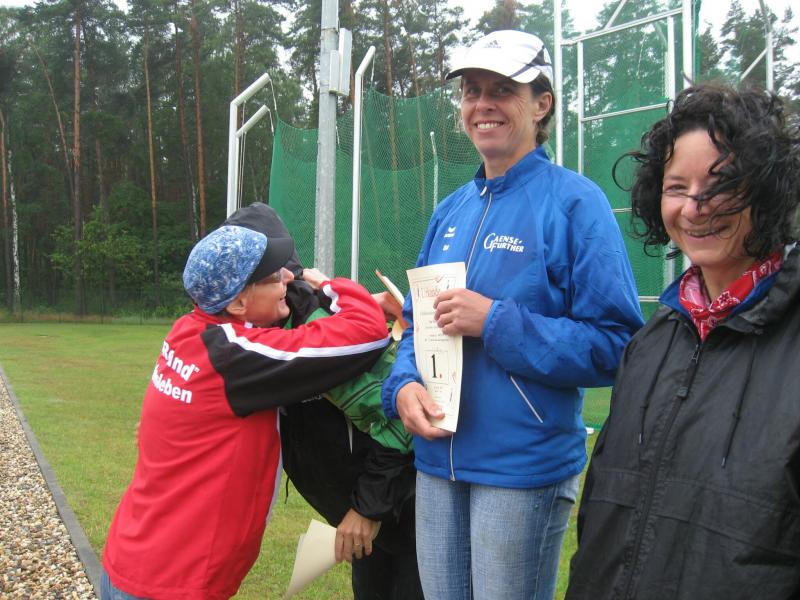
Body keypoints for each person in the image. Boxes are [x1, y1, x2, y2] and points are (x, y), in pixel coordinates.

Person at [381, 30, 643, 600]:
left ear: (541, 104)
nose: (483, 104)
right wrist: (402, 386)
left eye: (502, 90)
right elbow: (415, 324)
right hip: (436, 462)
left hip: (521, 470)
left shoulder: (576, 203)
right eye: (472, 91)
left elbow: (618, 344)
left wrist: (497, 322)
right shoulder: (449, 210)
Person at [566, 84, 800, 599]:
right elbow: (600, 514)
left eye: (722, 183)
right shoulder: (649, 346)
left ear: (765, 189)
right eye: (677, 186)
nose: (696, 206)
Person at [101, 208, 391, 600]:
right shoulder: (235, 357)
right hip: (171, 583)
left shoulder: (191, 332)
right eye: (274, 277)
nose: (288, 278)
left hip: (136, 561)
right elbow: (367, 331)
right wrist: (326, 285)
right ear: (238, 302)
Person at [236, 202, 423, 599]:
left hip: (402, 509)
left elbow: (398, 420)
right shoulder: (250, 332)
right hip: (359, 510)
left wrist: (368, 508)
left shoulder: (323, 333)